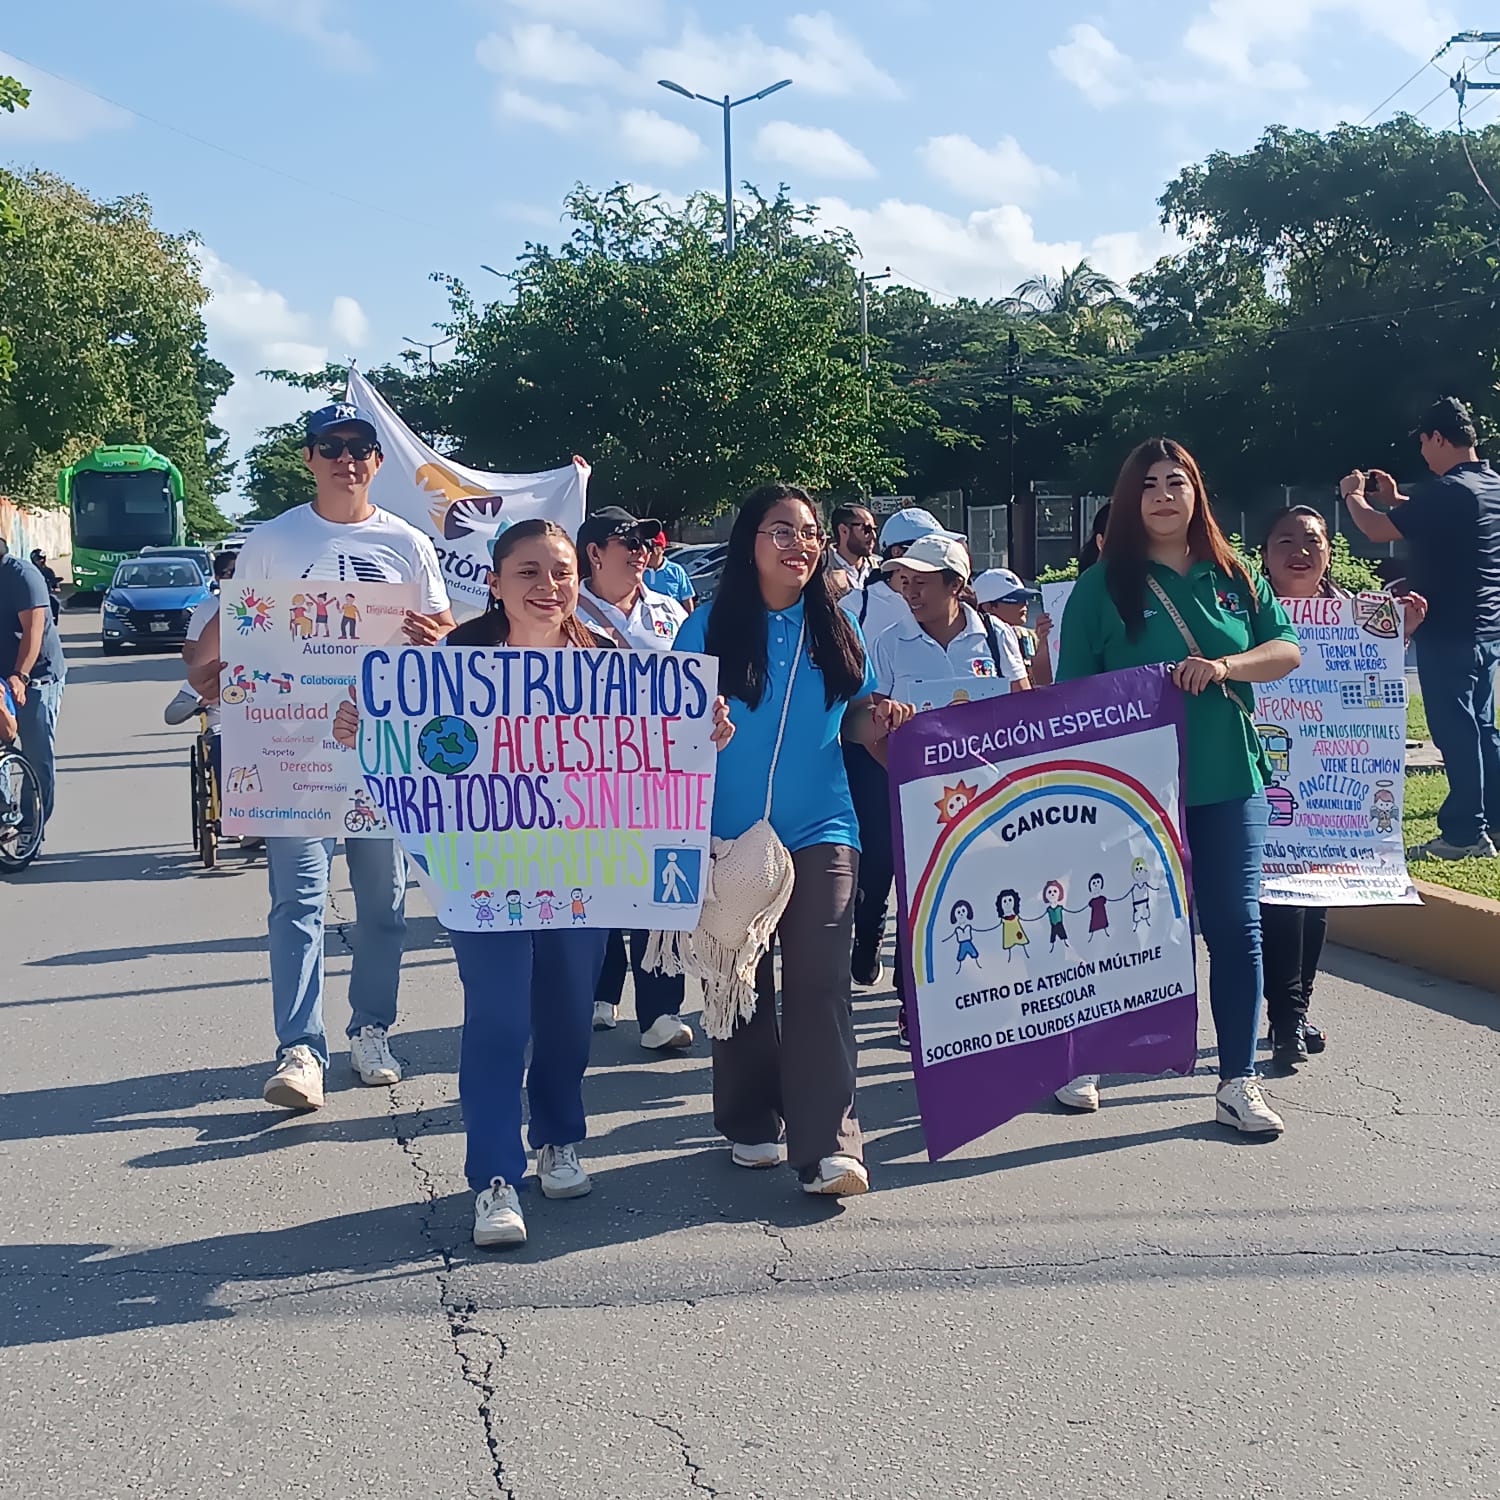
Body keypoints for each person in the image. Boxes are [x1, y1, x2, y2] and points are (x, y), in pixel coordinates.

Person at [359, 519, 732, 1246]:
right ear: (494, 583)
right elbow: (415, 750)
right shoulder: (450, 662)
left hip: (582, 872)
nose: (547, 586)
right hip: (483, 875)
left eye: (560, 572)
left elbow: (657, 749)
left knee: (566, 1014)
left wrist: (702, 729)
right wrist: (365, 731)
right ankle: (495, 1178)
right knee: (499, 1019)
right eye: (527, 572)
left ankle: (558, 1138)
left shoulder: (609, 662)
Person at [190, 403, 453, 1111]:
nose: (346, 458)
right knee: (297, 905)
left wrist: (438, 639)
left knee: (385, 907)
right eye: (330, 446)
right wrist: (210, 669)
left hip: (381, 753)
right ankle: (301, 1050)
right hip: (291, 753)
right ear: (308, 458)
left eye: (359, 446)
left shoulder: (407, 542)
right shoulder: (272, 540)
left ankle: (371, 1030)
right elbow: (235, 631)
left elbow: (442, 630)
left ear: (377, 461)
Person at [1054, 438, 1302, 1133]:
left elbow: (1284, 649)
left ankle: (1238, 1080)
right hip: (1130, 792)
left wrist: (1223, 666)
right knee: (1119, 925)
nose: (1164, 495)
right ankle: (1089, 1053)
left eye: (1177, 482)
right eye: (1149, 485)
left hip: (1229, 779)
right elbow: (1071, 694)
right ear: (1129, 499)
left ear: (1197, 493)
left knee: (1236, 927)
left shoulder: (1235, 573)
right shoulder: (1102, 586)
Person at [675, 483, 914, 1197]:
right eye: (782, 531)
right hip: (725, 832)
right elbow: (669, 730)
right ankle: (751, 1120)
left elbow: (856, 719)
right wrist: (699, 725)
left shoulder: (841, 629)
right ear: (748, 542)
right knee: (739, 974)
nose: (800, 545)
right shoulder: (704, 628)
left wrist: (883, 718)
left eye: (809, 533)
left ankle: (830, 1147)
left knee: (821, 982)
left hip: (824, 827)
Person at [1258, 506, 1426, 1062]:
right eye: (1286, 540)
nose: (1300, 551)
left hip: (1334, 787)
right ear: (1265, 554)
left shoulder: (1359, 618)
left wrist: (1401, 635)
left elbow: (1373, 683)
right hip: (1263, 778)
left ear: (1329, 552)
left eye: (1312, 540)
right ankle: (1285, 1018)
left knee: (1318, 898)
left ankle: (1297, 1010)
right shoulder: (1245, 613)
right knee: (1279, 900)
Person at [872, 533, 1030, 1044]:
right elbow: (873, 723)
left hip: (991, 796)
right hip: (921, 797)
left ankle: (990, 997)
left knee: (990, 892)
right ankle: (913, 1004)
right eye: (904, 581)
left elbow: (1023, 706)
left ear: (956, 585)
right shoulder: (890, 642)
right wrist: (902, 772)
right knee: (921, 899)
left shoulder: (996, 637)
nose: (910, 592)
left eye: (921, 582)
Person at [1341, 396, 1500, 860]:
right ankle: (1493, 819)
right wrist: (1396, 500)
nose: (1423, 453)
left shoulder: (1447, 490)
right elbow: (1444, 516)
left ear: (1437, 437)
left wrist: (1352, 495)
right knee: (1483, 728)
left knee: (1455, 733)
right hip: (1487, 629)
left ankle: (1464, 834)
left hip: (1447, 631)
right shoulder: (1489, 484)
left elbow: (1376, 530)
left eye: (1424, 443)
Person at [573, 504, 694, 1049]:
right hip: (585, 776)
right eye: (629, 543)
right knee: (596, 886)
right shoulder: (564, 612)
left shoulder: (669, 612)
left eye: (646, 543)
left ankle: (661, 1011)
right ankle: (599, 992)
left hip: (662, 775)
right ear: (595, 553)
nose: (642, 552)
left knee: (661, 887)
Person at [842, 506, 961, 987]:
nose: (912, 583)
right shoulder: (855, 605)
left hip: (947, 762)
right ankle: (868, 931)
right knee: (881, 855)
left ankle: (912, 977)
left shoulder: (973, 622)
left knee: (932, 862)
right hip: (875, 749)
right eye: (908, 561)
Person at [0, 539, 66, 839]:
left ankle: (31, 827)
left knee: (36, 755)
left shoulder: (22, 576)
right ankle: (5, 819)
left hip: (36, 675)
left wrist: (20, 676)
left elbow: (33, 631)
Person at [973, 568, 1041, 684]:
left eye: (1025, 599)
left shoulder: (1030, 637)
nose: (1024, 604)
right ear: (988, 607)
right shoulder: (976, 644)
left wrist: (1043, 643)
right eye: (1015, 600)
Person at [827, 503, 879, 591]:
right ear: (843, 530)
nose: (873, 536)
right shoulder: (820, 570)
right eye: (866, 529)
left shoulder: (880, 568)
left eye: (874, 530)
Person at [644, 530, 697, 613]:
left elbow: (687, 600)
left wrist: (691, 619)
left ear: (663, 548)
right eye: (646, 546)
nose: (649, 551)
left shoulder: (676, 570)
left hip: (671, 618)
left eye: (653, 546)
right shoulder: (638, 571)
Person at [29, 551, 61, 623]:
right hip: (32, 596)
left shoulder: (48, 571)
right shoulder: (29, 571)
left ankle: (53, 620)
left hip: (46, 596)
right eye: (38, 559)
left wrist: (55, 589)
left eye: (43, 558)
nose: (42, 560)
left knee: (55, 603)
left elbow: (55, 586)